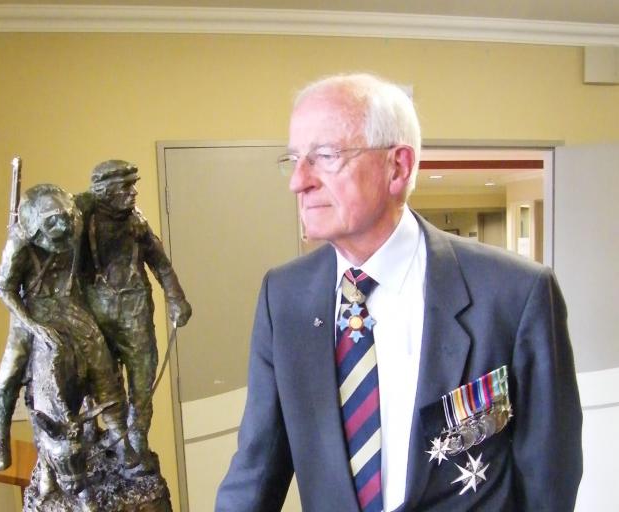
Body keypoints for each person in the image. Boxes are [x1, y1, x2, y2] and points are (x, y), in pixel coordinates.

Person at [216, 74, 582, 511]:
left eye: (325, 156)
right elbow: (256, 471)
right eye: (294, 159)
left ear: (398, 167)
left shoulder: (514, 294)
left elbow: (550, 482)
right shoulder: (285, 297)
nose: (298, 181)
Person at [0, 184, 137, 472]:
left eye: (65, 222)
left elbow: (99, 193)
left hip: (70, 304)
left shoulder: (75, 217)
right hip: (31, 312)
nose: (62, 231)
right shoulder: (19, 242)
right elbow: (3, 286)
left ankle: (119, 436)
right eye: (52, 227)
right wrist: (33, 326)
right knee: (8, 373)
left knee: (101, 362)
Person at [77, 160, 192, 458]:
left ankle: (138, 433)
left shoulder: (136, 223)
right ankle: (97, 431)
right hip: (96, 314)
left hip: (135, 312)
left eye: (134, 184)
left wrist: (176, 298)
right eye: (126, 187)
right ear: (104, 192)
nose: (133, 193)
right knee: (98, 377)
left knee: (143, 373)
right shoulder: (82, 222)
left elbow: (161, 265)